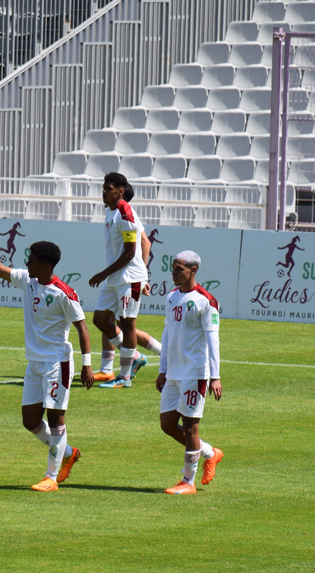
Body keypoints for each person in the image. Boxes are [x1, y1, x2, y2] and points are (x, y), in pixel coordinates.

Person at [0, 221, 93, 491]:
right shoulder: (28, 280)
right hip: (35, 362)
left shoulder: (64, 293)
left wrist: (87, 366)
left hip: (57, 363)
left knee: (55, 419)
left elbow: (82, 328)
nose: (27, 264)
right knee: (29, 421)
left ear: (47, 266)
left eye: (32, 261)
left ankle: (51, 477)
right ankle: (69, 453)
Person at [156, 251, 224, 495]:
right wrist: (163, 369)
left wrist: (214, 376)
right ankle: (210, 453)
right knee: (167, 424)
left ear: (193, 270)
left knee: (191, 426)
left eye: (179, 269)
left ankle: (188, 481)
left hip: (195, 373)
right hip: (174, 373)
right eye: (173, 268)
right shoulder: (172, 296)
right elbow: (167, 333)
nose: (173, 273)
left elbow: (213, 340)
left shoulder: (206, 301)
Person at [89, 173, 152, 389]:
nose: (104, 191)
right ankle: (135, 357)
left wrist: (102, 274)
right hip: (116, 278)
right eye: (104, 187)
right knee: (100, 319)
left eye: (108, 188)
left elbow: (129, 253)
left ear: (120, 191)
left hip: (130, 279)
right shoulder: (111, 210)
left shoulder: (126, 214)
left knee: (127, 325)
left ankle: (124, 377)